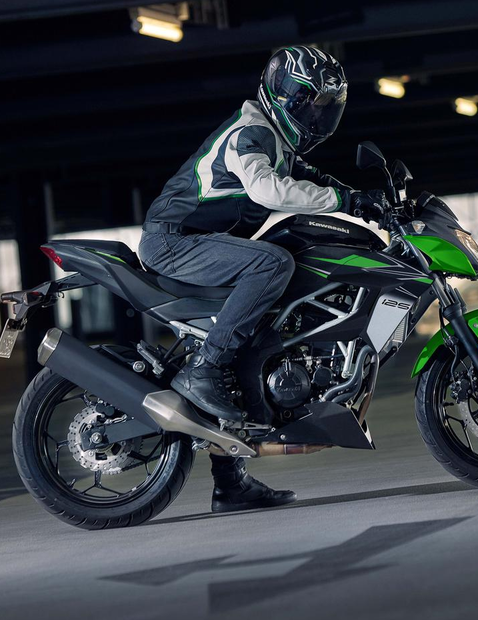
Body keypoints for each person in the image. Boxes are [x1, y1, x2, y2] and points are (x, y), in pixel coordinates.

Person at [138, 45, 383, 512]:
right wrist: (345, 202)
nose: (317, 116)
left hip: (199, 243)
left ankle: (231, 484)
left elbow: (314, 180)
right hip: (173, 241)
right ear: (287, 96)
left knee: (262, 337)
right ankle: (205, 367)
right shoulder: (250, 133)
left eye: (325, 108)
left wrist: (366, 199)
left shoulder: (279, 145)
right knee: (273, 264)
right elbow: (267, 189)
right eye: (311, 104)